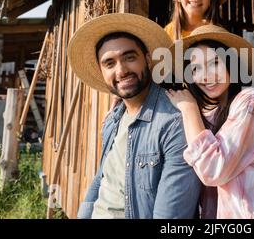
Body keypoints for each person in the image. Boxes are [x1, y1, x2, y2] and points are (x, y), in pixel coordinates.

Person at [67, 13, 201, 219]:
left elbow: (170, 216)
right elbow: (102, 178)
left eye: (129, 58)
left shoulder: (174, 122)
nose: (121, 71)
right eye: (109, 64)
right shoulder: (112, 120)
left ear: (147, 59)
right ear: (102, 71)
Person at [165, 24, 254, 219]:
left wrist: (188, 109)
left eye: (215, 63)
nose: (206, 75)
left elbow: (213, 170)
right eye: (196, 68)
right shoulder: (209, 113)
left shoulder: (250, 101)